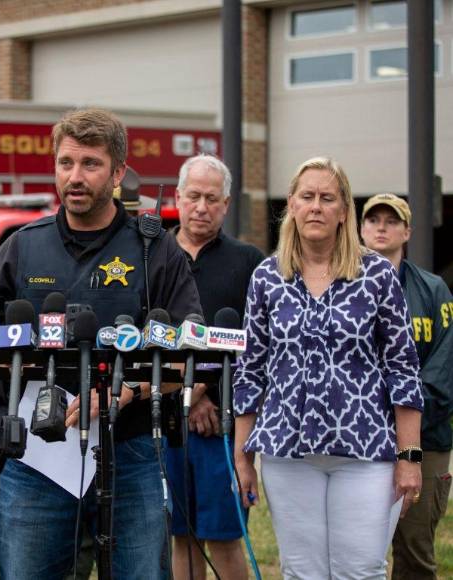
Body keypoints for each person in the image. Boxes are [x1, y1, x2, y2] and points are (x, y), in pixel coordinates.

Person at [0, 107, 202, 579]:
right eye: (66, 163)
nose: (74, 177)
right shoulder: (21, 246)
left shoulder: (156, 250)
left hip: (134, 451)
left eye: (90, 164)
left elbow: (188, 356)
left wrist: (127, 392)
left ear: (119, 172)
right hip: (38, 453)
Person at [232, 157, 423, 579]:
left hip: (367, 451)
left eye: (327, 198)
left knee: (360, 569)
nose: (316, 206)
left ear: (343, 212)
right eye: (307, 197)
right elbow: (250, 369)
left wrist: (409, 455)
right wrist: (242, 454)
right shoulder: (267, 276)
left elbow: (402, 367)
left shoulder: (376, 275)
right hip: (287, 453)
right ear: (293, 207)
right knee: (302, 572)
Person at [165, 154, 263, 580]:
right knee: (181, 537)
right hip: (164, 419)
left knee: (225, 537)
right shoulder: (152, 256)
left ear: (225, 204)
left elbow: (258, 346)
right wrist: (186, 399)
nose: (201, 207)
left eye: (211, 198)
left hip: (222, 427)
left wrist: (205, 393)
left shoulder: (250, 262)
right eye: (193, 197)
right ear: (177, 198)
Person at [360, 193, 453, 580]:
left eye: (392, 221)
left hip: (425, 440)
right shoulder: (343, 287)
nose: (382, 227)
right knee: (360, 551)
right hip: (361, 441)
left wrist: (404, 420)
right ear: (361, 229)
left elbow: (443, 372)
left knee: (415, 552)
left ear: (408, 231)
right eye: (373, 220)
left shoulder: (434, 291)